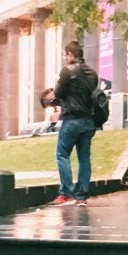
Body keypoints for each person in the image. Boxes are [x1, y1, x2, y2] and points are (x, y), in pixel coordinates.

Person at [43, 40, 98, 207]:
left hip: (72, 120)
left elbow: (58, 93)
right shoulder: (93, 73)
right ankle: (82, 196)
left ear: (70, 55)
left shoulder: (67, 71)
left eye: (65, 54)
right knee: (84, 158)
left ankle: (66, 193)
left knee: (62, 154)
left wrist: (54, 94)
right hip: (89, 121)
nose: (65, 58)